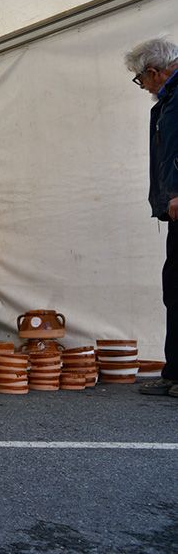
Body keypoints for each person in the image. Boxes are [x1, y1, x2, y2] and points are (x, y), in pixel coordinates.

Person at [125, 37, 178, 396]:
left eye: (140, 79)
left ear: (154, 72)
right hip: (173, 208)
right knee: (174, 289)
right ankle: (174, 371)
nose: (142, 87)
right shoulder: (167, 101)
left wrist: (176, 190)